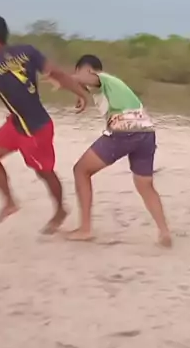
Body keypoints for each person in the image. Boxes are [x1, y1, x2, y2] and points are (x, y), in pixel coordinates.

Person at [0, 14, 88, 229]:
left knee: (44, 173)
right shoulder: (27, 51)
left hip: (35, 130)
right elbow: (56, 73)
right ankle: (9, 203)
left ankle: (60, 210)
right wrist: (80, 93)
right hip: (16, 123)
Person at [67, 54, 172, 247]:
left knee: (81, 170)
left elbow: (87, 78)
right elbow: (86, 83)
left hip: (125, 130)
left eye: (78, 72)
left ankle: (85, 229)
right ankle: (164, 232)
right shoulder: (113, 84)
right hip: (146, 131)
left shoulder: (101, 78)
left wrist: (62, 77)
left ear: (87, 69)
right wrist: (80, 94)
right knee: (145, 185)